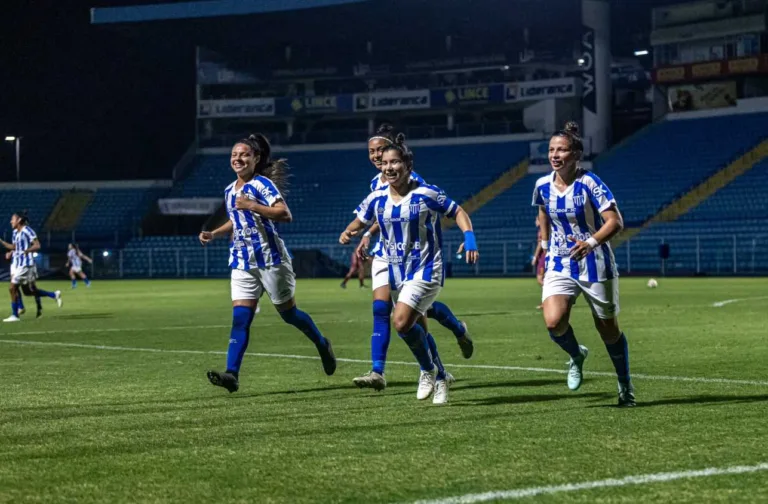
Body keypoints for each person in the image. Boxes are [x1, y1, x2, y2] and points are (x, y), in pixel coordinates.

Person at [340, 134, 479, 404]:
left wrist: (469, 237)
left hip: (426, 268)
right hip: (395, 268)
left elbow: (458, 211)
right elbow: (361, 219)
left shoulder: (426, 193)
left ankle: (428, 370)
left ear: (408, 165)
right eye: (385, 163)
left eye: (394, 162)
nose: (388, 166)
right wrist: (351, 232)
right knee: (408, 324)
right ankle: (435, 372)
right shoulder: (377, 196)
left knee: (401, 321)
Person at [199, 134, 336, 393]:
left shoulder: (262, 185)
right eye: (234, 155)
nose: (238, 159)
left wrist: (251, 205)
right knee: (240, 319)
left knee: (289, 315)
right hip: (242, 262)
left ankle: (321, 343)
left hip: (271, 259)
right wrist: (214, 233)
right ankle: (232, 374)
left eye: (244, 155)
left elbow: (285, 214)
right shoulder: (229, 190)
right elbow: (236, 220)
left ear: (256, 158)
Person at [532, 121, 635, 407]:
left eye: (561, 150)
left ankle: (624, 384)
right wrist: (544, 250)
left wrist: (589, 243)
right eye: (551, 150)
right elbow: (543, 212)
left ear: (576, 154)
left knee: (608, 330)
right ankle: (576, 355)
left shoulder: (590, 183)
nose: (555, 155)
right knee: (554, 323)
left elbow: (615, 222)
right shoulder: (542, 185)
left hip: (595, 262)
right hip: (559, 262)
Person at [357, 125, 473, 360]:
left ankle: (440, 359)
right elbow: (384, 214)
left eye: (381, 150)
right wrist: (367, 233)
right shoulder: (375, 183)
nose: (376, 156)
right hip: (388, 253)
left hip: (416, 257)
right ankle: (379, 370)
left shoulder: (415, 183)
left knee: (414, 315)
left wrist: (469, 237)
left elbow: (414, 212)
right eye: (372, 151)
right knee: (385, 310)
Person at [1, 211, 62, 322]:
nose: (10, 221)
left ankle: (15, 315)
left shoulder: (28, 231)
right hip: (17, 263)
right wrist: (4, 245)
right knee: (27, 292)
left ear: (19, 220)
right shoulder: (15, 232)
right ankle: (53, 294)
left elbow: (37, 245)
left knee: (12, 288)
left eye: (12, 219)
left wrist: (27, 251)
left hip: (26, 264)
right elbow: (15, 246)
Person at [531, 215, 546, 310]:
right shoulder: (543, 230)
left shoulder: (542, 231)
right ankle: (546, 302)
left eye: (536, 220)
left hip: (543, 257)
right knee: (544, 279)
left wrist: (535, 257)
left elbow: (540, 244)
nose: (535, 221)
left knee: (540, 279)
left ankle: (550, 298)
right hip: (544, 257)